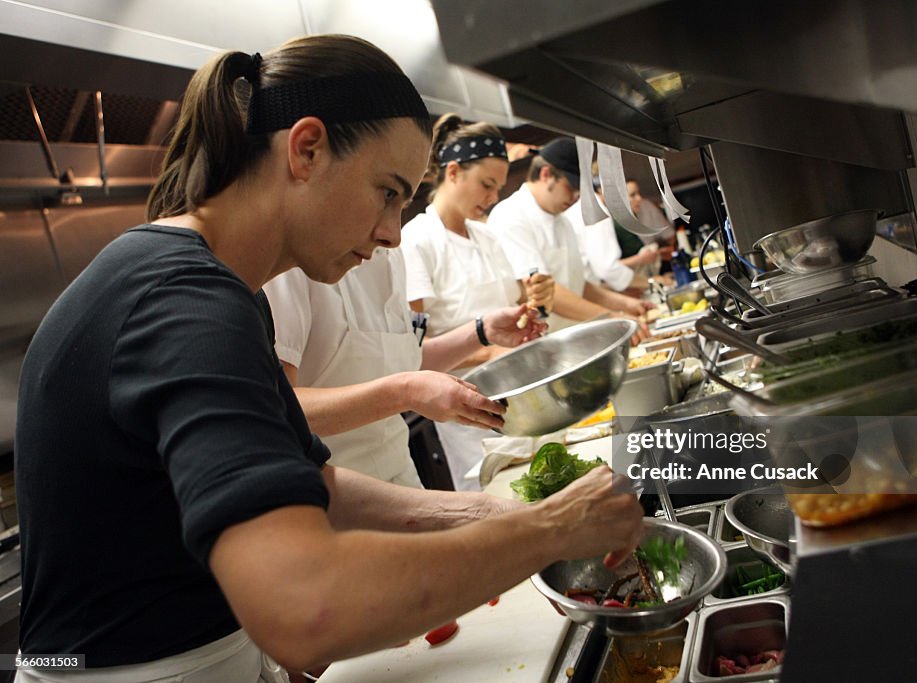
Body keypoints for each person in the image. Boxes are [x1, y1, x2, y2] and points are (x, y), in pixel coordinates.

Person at [13, 35, 644, 682]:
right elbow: (303, 606)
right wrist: (554, 530)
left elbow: (320, 484)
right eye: (387, 191)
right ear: (306, 149)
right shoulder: (185, 302)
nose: (394, 231)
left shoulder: (224, 291)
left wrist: (492, 513)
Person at [263, 247, 547, 488]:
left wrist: (481, 332)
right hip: (333, 494)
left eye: (405, 203)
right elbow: (278, 409)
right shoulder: (290, 269)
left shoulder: (390, 253)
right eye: (388, 193)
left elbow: (402, 359)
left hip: (401, 477)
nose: (395, 234)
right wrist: (405, 392)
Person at [401, 114, 555, 489]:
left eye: (498, 188)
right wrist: (488, 353)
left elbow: (518, 305)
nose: (493, 198)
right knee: (500, 502)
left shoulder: (486, 237)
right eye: (487, 185)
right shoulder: (416, 241)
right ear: (453, 172)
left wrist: (539, 299)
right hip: (467, 411)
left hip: (521, 394)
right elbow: (410, 350)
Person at [486, 137, 653, 334]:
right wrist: (611, 317)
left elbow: (578, 285)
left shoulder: (562, 222)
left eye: (579, 190)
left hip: (574, 334)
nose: (576, 197)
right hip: (541, 340)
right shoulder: (510, 217)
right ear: (546, 174)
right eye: (571, 187)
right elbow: (546, 294)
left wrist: (626, 304)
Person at [566, 180, 662, 294]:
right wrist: (651, 282)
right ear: (601, 189)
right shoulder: (597, 212)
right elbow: (607, 269)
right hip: (580, 292)